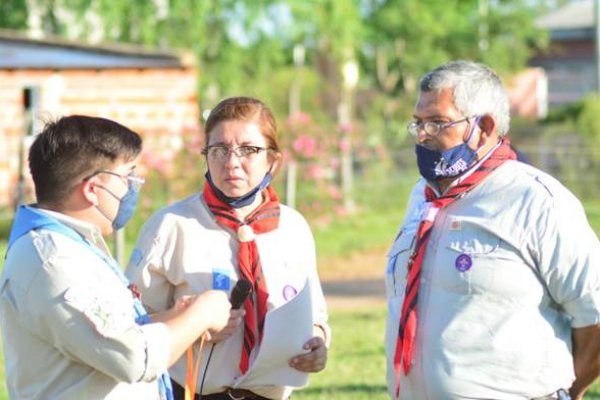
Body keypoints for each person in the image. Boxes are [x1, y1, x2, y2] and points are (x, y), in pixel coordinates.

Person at [384, 60, 600, 400]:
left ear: (484, 127)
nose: (423, 135)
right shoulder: (422, 196)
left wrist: (563, 392)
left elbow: (594, 316)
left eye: (438, 123)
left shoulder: (538, 201)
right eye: (418, 123)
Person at [0, 115, 232, 400]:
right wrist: (202, 313)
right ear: (93, 189)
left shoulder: (73, 245)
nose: (133, 187)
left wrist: (174, 316)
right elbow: (134, 357)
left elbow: (102, 334)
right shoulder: (53, 261)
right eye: (128, 177)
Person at [125, 96, 331, 400]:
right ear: (205, 156)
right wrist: (191, 326)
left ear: (273, 160)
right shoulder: (172, 225)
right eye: (219, 150)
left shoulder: (293, 227)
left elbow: (316, 316)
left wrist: (319, 344)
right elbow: (134, 325)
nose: (232, 162)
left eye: (249, 150)